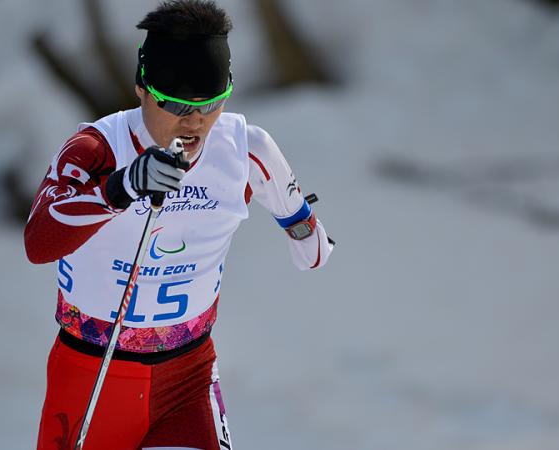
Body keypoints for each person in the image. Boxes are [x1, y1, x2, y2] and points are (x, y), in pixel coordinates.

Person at [24, 1, 334, 448]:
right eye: (176, 105)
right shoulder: (96, 149)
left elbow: (302, 225)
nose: (194, 123)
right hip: (92, 375)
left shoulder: (244, 150)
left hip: (188, 378)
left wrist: (307, 234)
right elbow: (39, 242)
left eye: (210, 105)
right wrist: (121, 187)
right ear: (142, 89)